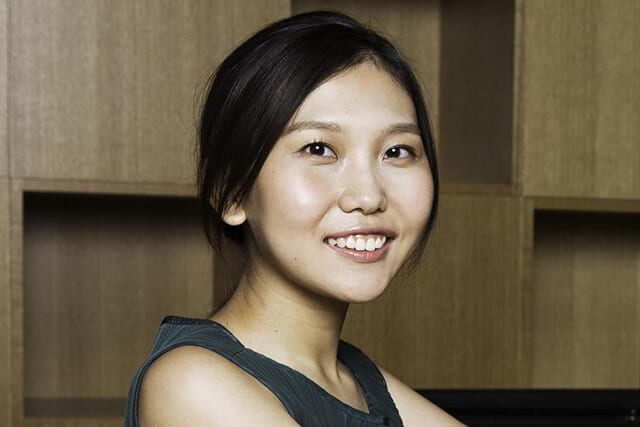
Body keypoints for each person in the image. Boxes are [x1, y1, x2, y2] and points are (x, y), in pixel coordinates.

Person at [124, 10, 466, 427]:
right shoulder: (193, 384)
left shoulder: (357, 381)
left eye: (397, 151)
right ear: (231, 191)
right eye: (319, 149)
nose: (368, 196)